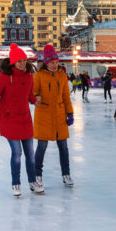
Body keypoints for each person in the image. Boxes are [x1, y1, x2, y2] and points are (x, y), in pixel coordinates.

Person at [0, 44, 37, 197]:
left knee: (30, 153)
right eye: (19, 61)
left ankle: (32, 181)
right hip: (10, 119)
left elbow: (30, 96)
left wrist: (36, 101)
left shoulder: (29, 75)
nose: (23, 63)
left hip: (25, 119)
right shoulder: (4, 77)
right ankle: (16, 183)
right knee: (17, 153)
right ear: (13, 62)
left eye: (24, 60)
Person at [32, 44, 75, 192]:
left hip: (59, 114)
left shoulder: (62, 75)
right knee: (41, 147)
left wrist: (70, 113)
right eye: (51, 62)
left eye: (56, 62)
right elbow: (33, 92)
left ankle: (66, 173)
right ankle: (37, 175)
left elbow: (66, 96)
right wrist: (36, 96)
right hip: (43, 114)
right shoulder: (38, 75)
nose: (55, 65)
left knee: (63, 147)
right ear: (46, 63)